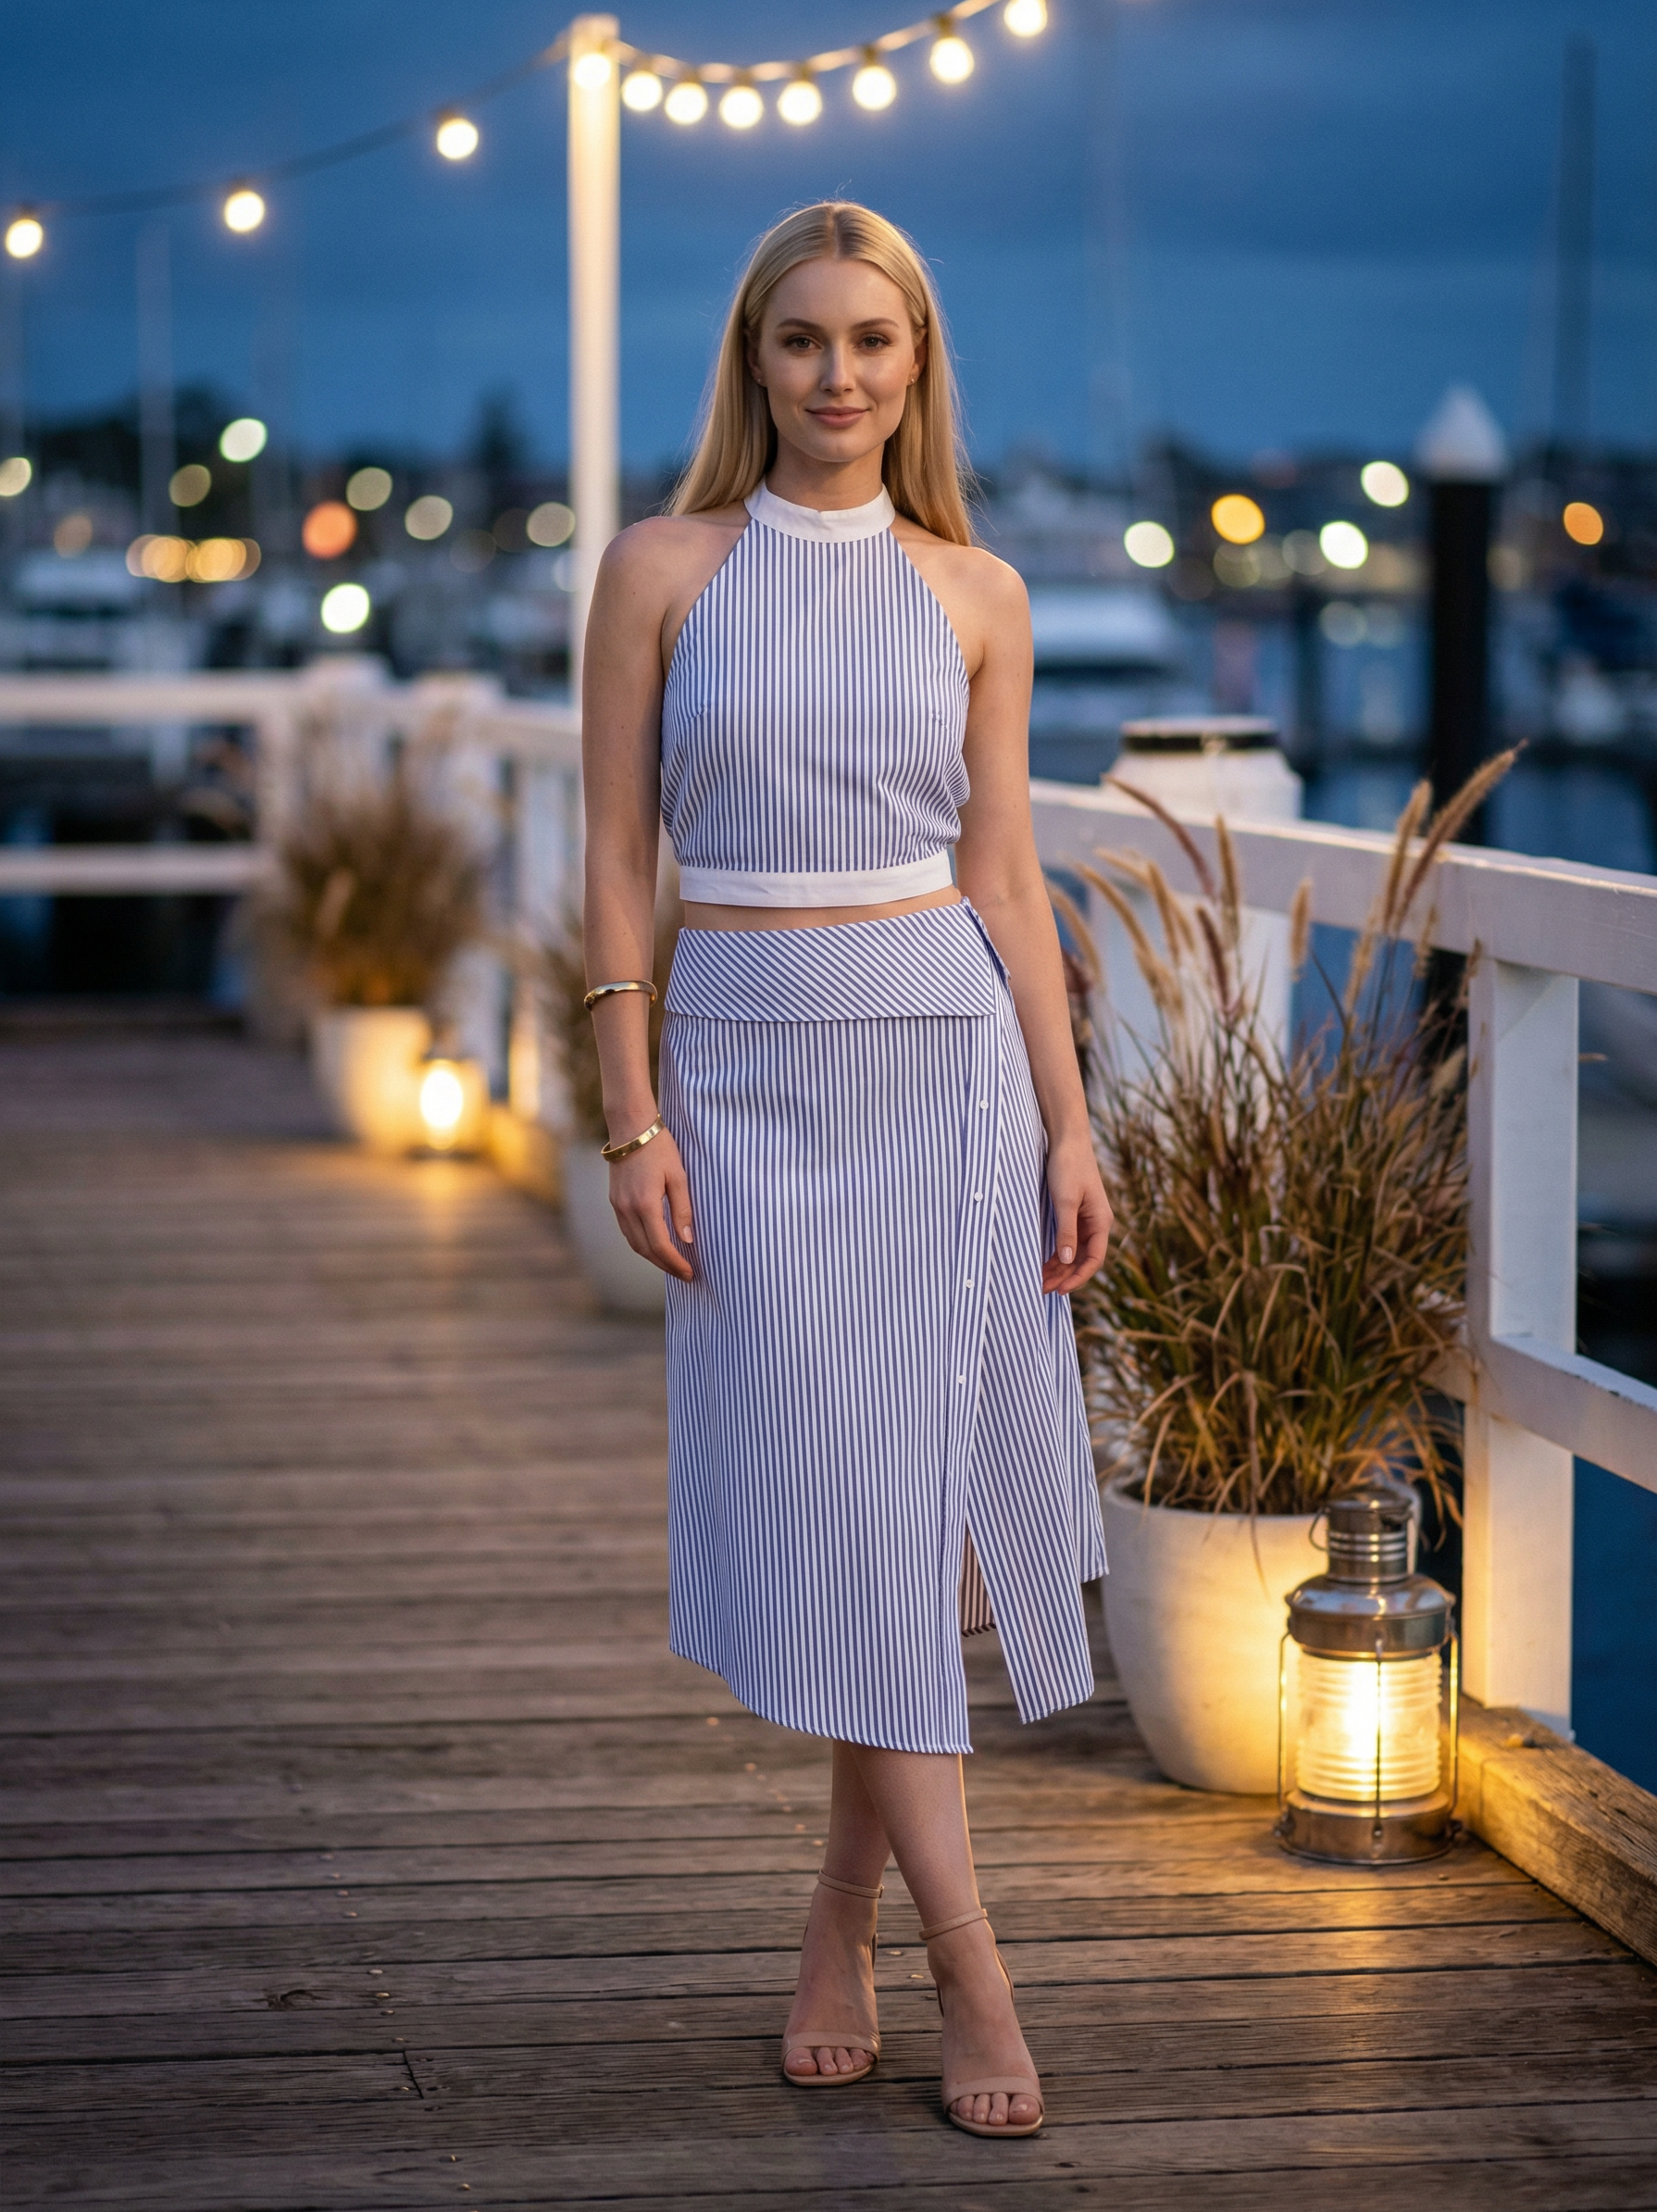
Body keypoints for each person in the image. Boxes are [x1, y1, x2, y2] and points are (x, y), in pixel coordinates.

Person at [581, 202, 1111, 2140]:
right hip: (735, 1083)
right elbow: (620, 860)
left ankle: (850, 1918)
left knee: (900, 1528)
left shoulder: (972, 593)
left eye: (870, 343)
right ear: (752, 361)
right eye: (801, 341)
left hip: (946, 1079)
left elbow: (1004, 880)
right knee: (835, 1504)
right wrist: (629, 1112)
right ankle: (968, 1950)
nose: (835, 377)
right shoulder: (660, 570)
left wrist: (1067, 1120)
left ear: (914, 365)